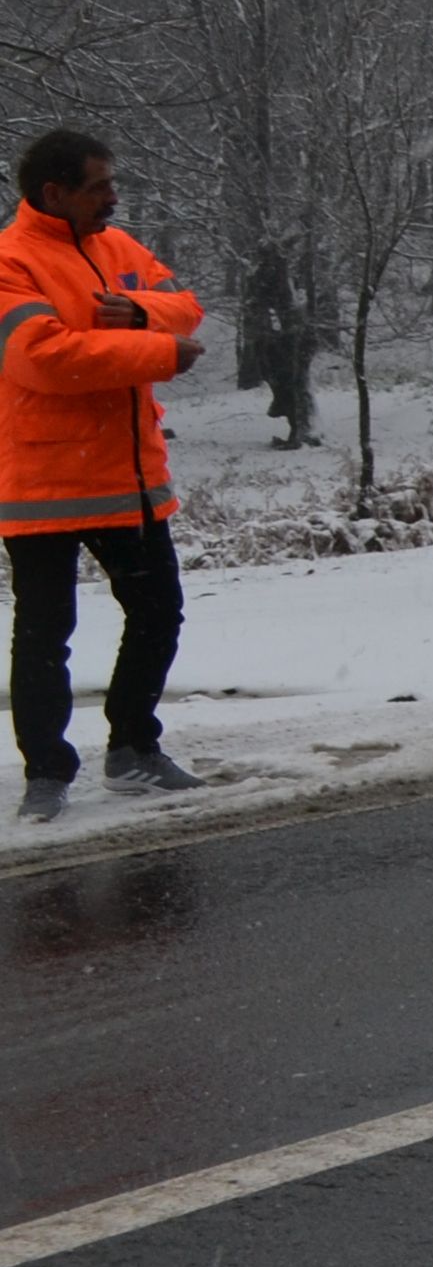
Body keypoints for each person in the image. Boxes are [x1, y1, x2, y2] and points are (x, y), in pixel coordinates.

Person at [4, 128, 208, 819]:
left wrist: (144, 311)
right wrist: (157, 350)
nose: (114, 198)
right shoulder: (9, 262)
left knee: (158, 614)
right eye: (100, 186)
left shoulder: (117, 250)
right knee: (44, 632)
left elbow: (185, 302)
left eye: (112, 183)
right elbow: (44, 358)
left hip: (129, 479)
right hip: (41, 486)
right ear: (54, 193)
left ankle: (133, 751)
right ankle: (47, 773)